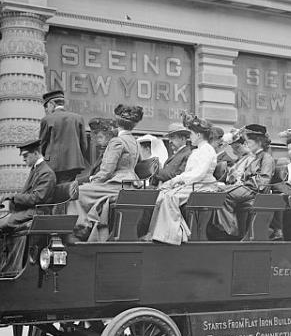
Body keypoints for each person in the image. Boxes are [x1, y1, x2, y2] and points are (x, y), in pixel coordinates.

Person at [0, 139, 57, 277]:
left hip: (36, 213)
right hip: (28, 212)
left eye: (26, 155)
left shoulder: (46, 173)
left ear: (36, 153)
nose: (24, 159)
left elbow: (38, 198)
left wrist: (14, 197)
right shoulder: (37, 170)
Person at [66, 104, 143, 242]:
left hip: (117, 184)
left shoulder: (116, 141)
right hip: (132, 184)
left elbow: (106, 172)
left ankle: (81, 228)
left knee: (79, 191)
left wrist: (91, 182)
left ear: (117, 121)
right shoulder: (135, 142)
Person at [142, 114, 218, 245]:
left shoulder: (207, 150)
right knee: (162, 194)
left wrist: (177, 180)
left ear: (199, 135)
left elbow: (198, 174)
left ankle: (173, 234)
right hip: (194, 184)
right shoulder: (198, 150)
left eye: (192, 134)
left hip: (203, 185)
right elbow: (191, 173)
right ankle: (158, 233)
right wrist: (176, 181)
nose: (190, 137)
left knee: (170, 197)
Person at [210, 125, 276, 240]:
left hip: (254, 190)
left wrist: (244, 183)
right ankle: (225, 227)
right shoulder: (253, 157)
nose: (247, 145)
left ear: (258, 142)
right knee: (216, 191)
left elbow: (263, 180)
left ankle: (231, 230)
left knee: (223, 196)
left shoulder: (266, 158)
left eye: (249, 142)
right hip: (246, 188)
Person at [39, 89, 90, 183]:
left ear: (51, 104)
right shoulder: (78, 118)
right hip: (73, 164)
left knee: (55, 193)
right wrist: (74, 157)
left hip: (53, 166)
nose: (46, 110)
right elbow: (84, 145)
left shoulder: (46, 120)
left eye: (46, 107)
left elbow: (42, 145)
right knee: (69, 191)